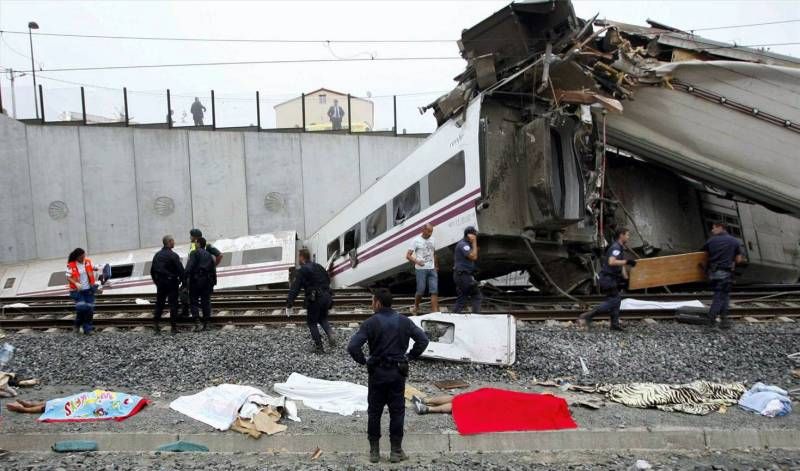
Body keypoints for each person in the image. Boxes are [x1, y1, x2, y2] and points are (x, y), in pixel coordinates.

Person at [347, 288, 429, 464]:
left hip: (377, 373)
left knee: (374, 412)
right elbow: (423, 340)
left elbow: (353, 347)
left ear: (377, 302)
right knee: (397, 411)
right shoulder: (405, 321)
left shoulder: (370, 322)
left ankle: (374, 452)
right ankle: (395, 451)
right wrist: (409, 357)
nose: (371, 304)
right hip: (397, 373)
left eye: (372, 301)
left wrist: (364, 361)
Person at [578, 227, 637, 331]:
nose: (628, 237)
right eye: (627, 235)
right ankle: (588, 315)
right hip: (608, 279)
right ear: (621, 235)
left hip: (611, 279)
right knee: (614, 300)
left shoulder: (620, 248)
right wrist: (627, 262)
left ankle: (614, 324)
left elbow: (621, 265)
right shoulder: (616, 248)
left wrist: (626, 279)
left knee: (616, 300)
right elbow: (611, 262)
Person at [286, 248, 335, 353]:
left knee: (312, 322)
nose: (298, 259)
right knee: (322, 318)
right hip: (327, 296)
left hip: (316, 298)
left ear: (302, 257)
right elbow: (327, 279)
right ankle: (330, 334)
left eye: (298, 257)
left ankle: (319, 348)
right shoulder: (319, 266)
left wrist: (289, 303)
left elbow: (295, 288)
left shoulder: (303, 270)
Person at [702, 222, 745, 329]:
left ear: (720, 227)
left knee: (724, 296)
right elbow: (739, 259)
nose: (712, 231)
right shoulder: (734, 241)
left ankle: (724, 321)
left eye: (713, 228)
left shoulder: (711, 240)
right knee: (720, 297)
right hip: (726, 273)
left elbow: (701, 254)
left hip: (713, 273)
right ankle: (710, 320)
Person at [180, 228, 222, 318]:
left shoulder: (207, 245)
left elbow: (219, 255)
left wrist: (213, 266)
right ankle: (188, 312)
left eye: (191, 235)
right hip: (194, 274)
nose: (190, 237)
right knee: (186, 293)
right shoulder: (193, 245)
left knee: (197, 297)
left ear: (195, 237)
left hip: (201, 275)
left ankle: (197, 317)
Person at [150, 235, 185, 335]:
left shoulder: (157, 255)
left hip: (161, 283)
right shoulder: (173, 255)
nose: (174, 242)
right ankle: (173, 327)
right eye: (173, 241)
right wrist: (184, 283)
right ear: (169, 242)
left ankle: (156, 325)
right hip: (172, 283)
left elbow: (152, 271)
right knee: (173, 304)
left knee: (160, 304)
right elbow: (180, 270)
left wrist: (157, 282)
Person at [66, 248, 101, 335]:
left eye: (84, 256)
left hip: (88, 290)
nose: (83, 258)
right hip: (76, 290)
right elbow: (68, 277)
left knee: (89, 309)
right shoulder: (71, 265)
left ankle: (87, 329)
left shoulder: (88, 261)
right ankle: (77, 325)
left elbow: (94, 268)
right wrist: (76, 283)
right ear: (77, 257)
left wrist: (98, 268)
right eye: (81, 257)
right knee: (82, 308)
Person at [185, 237, 217, 331]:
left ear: (199, 244)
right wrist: (214, 282)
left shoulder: (194, 253)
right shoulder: (209, 255)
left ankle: (197, 323)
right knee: (206, 302)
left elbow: (189, 267)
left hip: (195, 281)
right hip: (207, 281)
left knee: (194, 302)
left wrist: (184, 279)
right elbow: (213, 270)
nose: (195, 244)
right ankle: (206, 324)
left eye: (196, 243)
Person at [406, 223, 439, 314]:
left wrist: (436, 266)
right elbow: (408, 256)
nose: (430, 233)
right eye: (428, 231)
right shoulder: (416, 241)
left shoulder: (433, 240)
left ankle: (435, 312)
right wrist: (417, 261)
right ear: (423, 230)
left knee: (434, 290)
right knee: (421, 290)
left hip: (432, 268)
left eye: (431, 231)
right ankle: (416, 306)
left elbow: (434, 253)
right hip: (421, 269)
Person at [453, 226, 481, 313]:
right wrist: (474, 242)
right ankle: (476, 316)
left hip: (461, 275)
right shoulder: (463, 245)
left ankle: (454, 316)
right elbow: (474, 257)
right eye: (474, 235)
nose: (475, 236)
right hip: (463, 275)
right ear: (469, 235)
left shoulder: (465, 244)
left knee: (462, 297)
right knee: (476, 295)